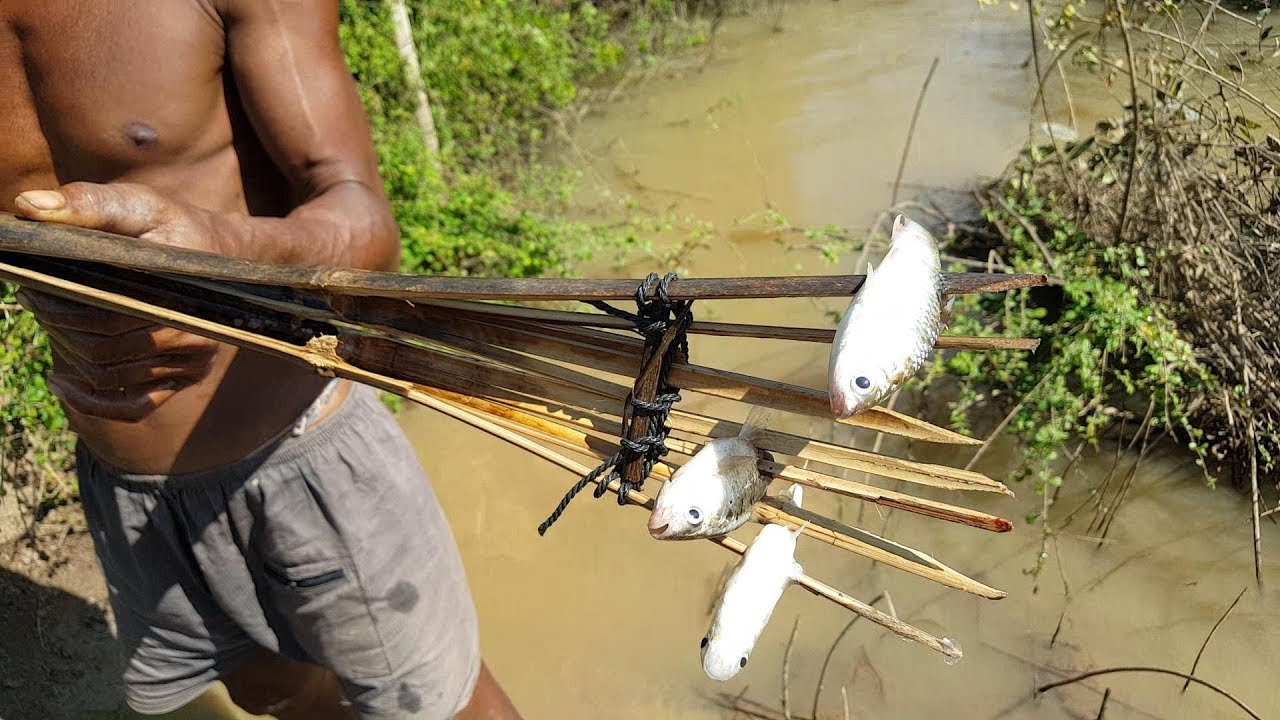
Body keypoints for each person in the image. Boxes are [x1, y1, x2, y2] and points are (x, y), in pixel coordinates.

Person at [0, 2, 522, 718]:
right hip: (125, 483)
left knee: (439, 707)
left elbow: (366, 226)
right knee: (267, 692)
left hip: (303, 454)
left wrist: (218, 253)